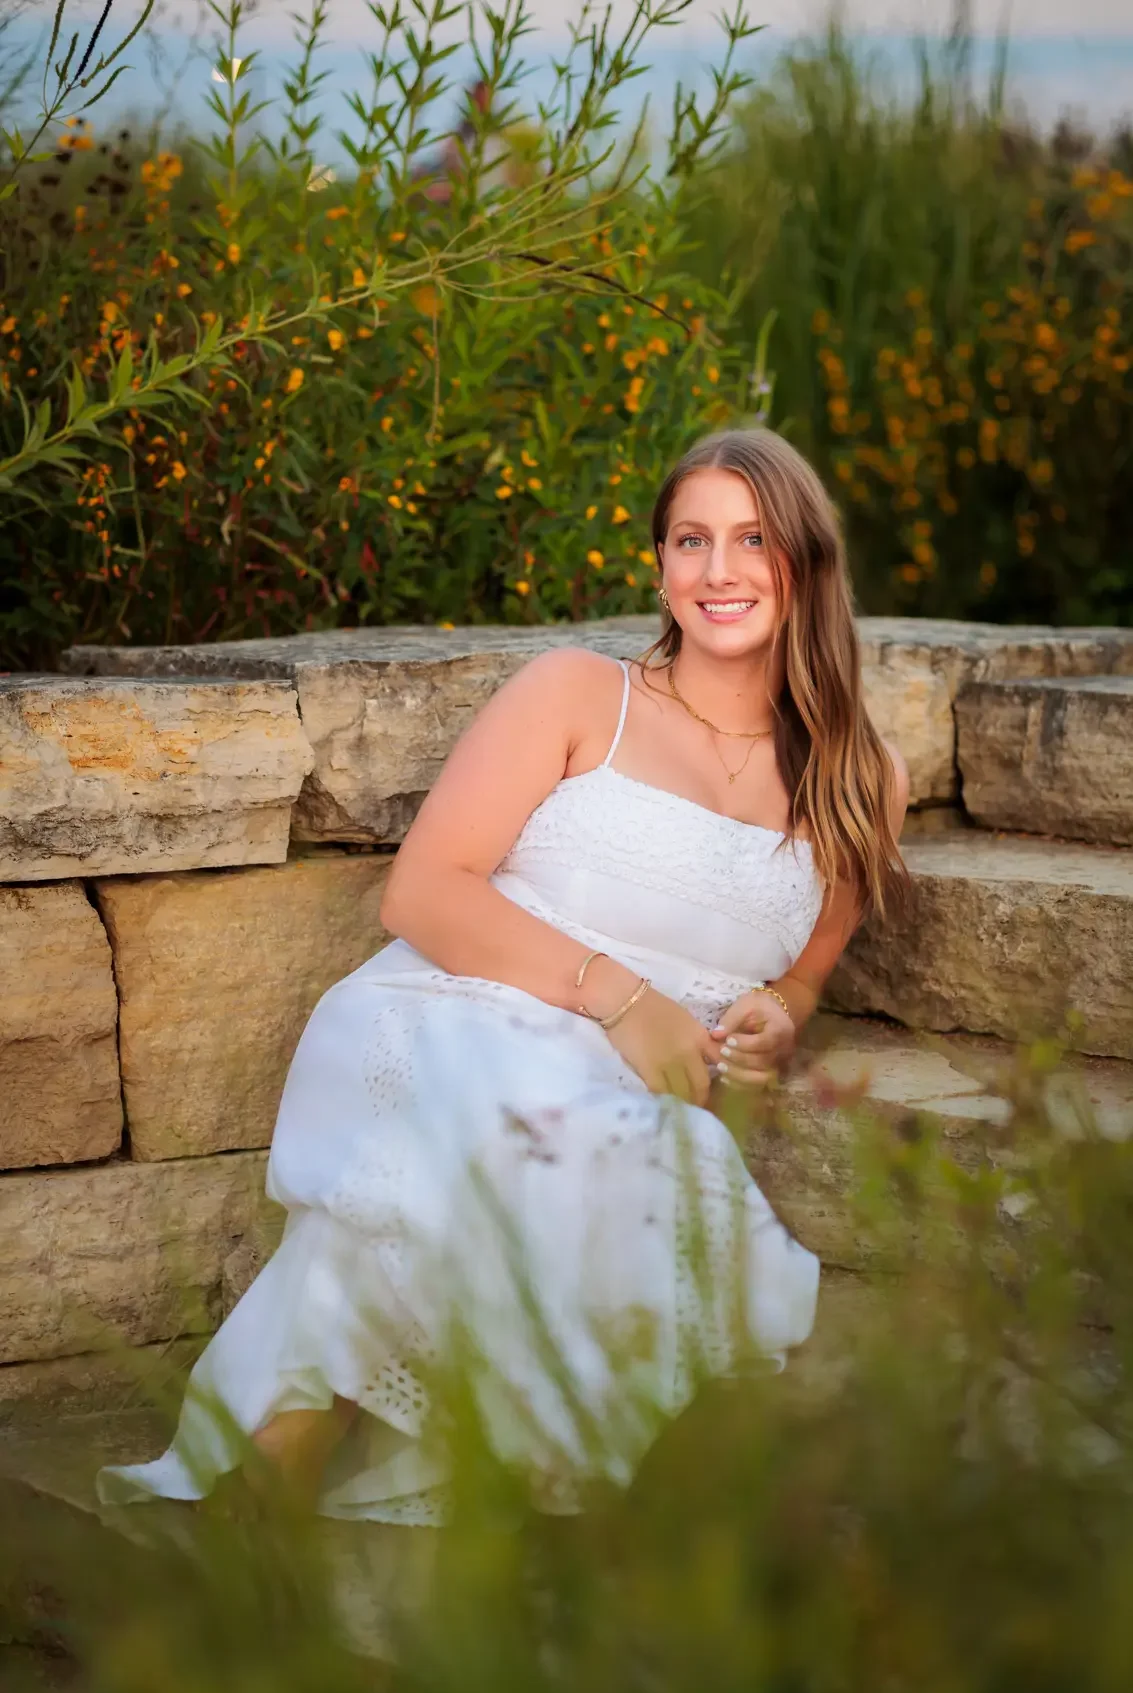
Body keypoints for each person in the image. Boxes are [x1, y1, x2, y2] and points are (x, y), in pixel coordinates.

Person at [99, 427, 909, 1524]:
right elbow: (423, 892)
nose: (717, 570)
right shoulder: (578, 693)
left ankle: (265, 1486)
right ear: (659, 565)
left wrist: (774, 1015)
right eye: (689, 539)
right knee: (556, 1125)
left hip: (621, 1077)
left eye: (750, 539)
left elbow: (806, 976)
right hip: (462, 1006)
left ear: (805, 560)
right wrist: (623, 997)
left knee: (594, 1143)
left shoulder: (860, 776)